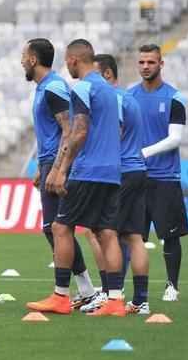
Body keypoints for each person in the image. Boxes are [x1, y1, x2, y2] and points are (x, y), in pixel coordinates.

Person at [28, 40, 126, 316]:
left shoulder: (83, 88)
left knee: (60, 227)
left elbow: (78, 131)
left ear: (73, 60)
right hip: (111, 171)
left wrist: (60, 168)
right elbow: (118, 129)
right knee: (106, 232)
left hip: (88, 170)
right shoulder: (109, 91)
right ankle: (116, 301)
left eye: (67, 62)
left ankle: (61, 296)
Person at [21, 38, 98, 307]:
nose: (21, 61)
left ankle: (80, 291)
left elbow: (67, 129)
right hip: (49, 163)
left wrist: (56, 168)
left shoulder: (53, 87)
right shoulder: (46, 87)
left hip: (60, 165)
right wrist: (43, 168)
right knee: (55, 228)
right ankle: (85, 289)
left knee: (57, 228)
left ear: (32, 60)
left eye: (24, 56)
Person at [130, 43, 188, 301]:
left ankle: (172, 286)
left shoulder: (174, 98)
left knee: (170, 236)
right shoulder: (129, 96)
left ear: (161, 64)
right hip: (136, 177)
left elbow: (175, 138)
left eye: (151, 62)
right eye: (142, 62)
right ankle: (130, 288)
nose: (146, 66)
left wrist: (145, 152)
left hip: (165, 177)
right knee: (132, 235)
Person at [96, 54, 152, 314]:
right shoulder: (130, 98)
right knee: (134, 236)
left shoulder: (115, 99)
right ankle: (141, 301)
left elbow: (114, 133)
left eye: (95, 76)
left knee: (108, 233)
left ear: (107, 75)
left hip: (122, 172)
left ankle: (112, 296)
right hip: (138, 169)